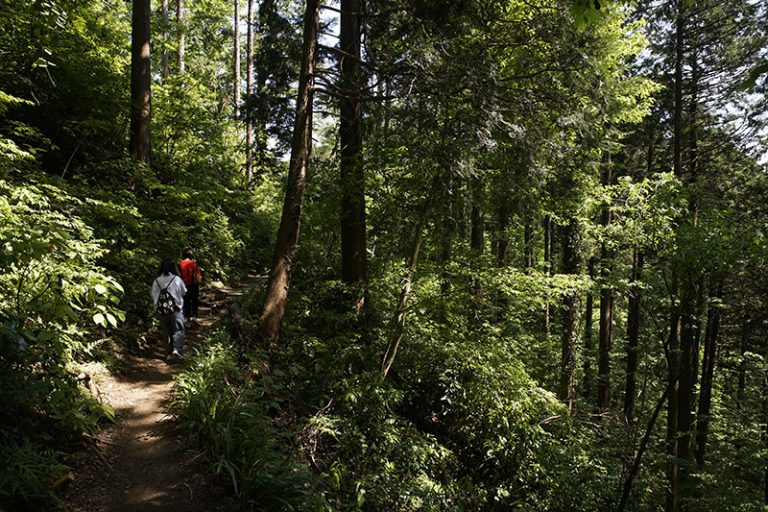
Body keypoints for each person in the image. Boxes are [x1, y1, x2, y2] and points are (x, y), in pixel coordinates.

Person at [152, 258, 187, 360]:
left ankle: (168, 353)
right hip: (176, 309)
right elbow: (184, 292)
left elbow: (154, 296)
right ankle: (177, 350)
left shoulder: (156, 281)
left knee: (166, 331)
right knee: (179, 330)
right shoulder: (177, 279)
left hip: (162, 310)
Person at [178, 248, 202, 321]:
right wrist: (199, 283)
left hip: (183, 285)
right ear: (191, 256)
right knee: (194, 300)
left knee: (186, 301)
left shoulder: (179, 264)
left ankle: (187, 317)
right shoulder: (193, 263)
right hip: (193, 285)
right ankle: (194, 316)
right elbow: (198, 275)